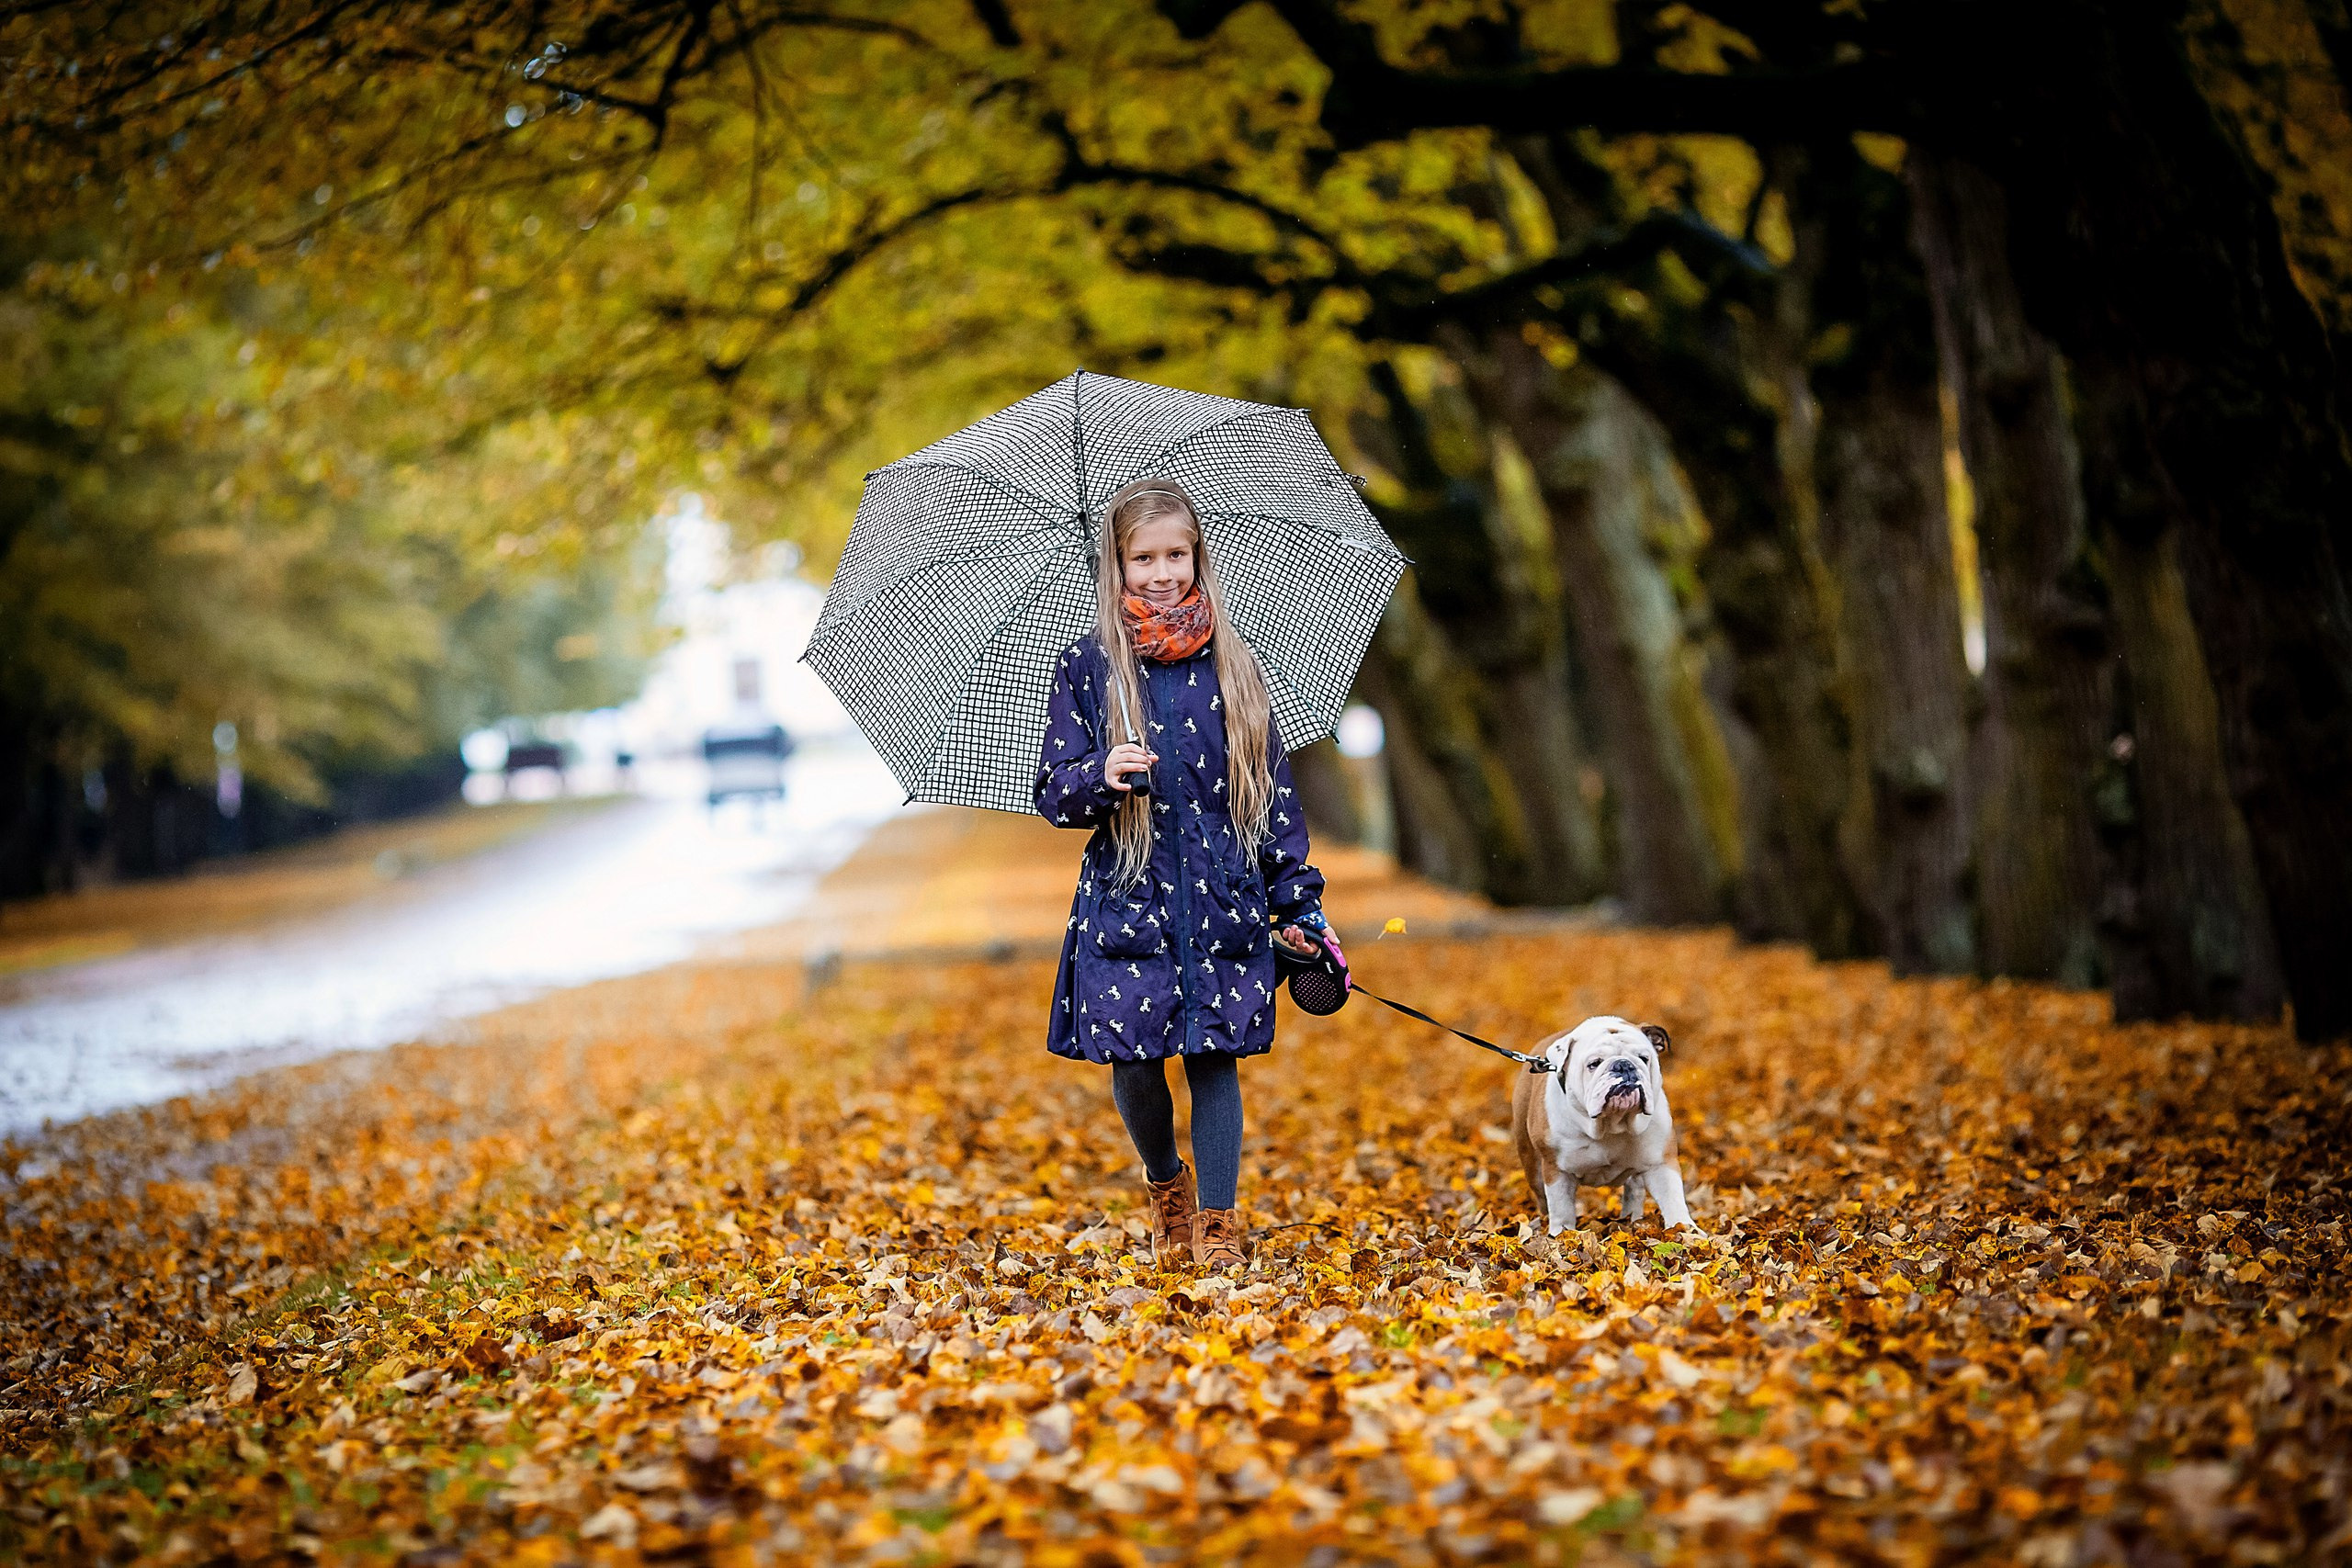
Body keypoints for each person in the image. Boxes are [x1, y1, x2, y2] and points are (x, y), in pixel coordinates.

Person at [1034, 478, 1341, 1270]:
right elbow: (1054, 792)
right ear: (1117, 564)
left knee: (1213, 1055)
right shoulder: (1089, 668)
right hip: (1128, 892)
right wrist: (1100, 773)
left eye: (1177, 554)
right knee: (1134, 1060)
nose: (1163, 572)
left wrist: (1296, 900)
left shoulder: (1234, 665)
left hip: (1221, 892)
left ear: (1199, 556)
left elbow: (1273, 797)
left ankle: (1219, 1223)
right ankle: (1167, 1182)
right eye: (1144, 558)